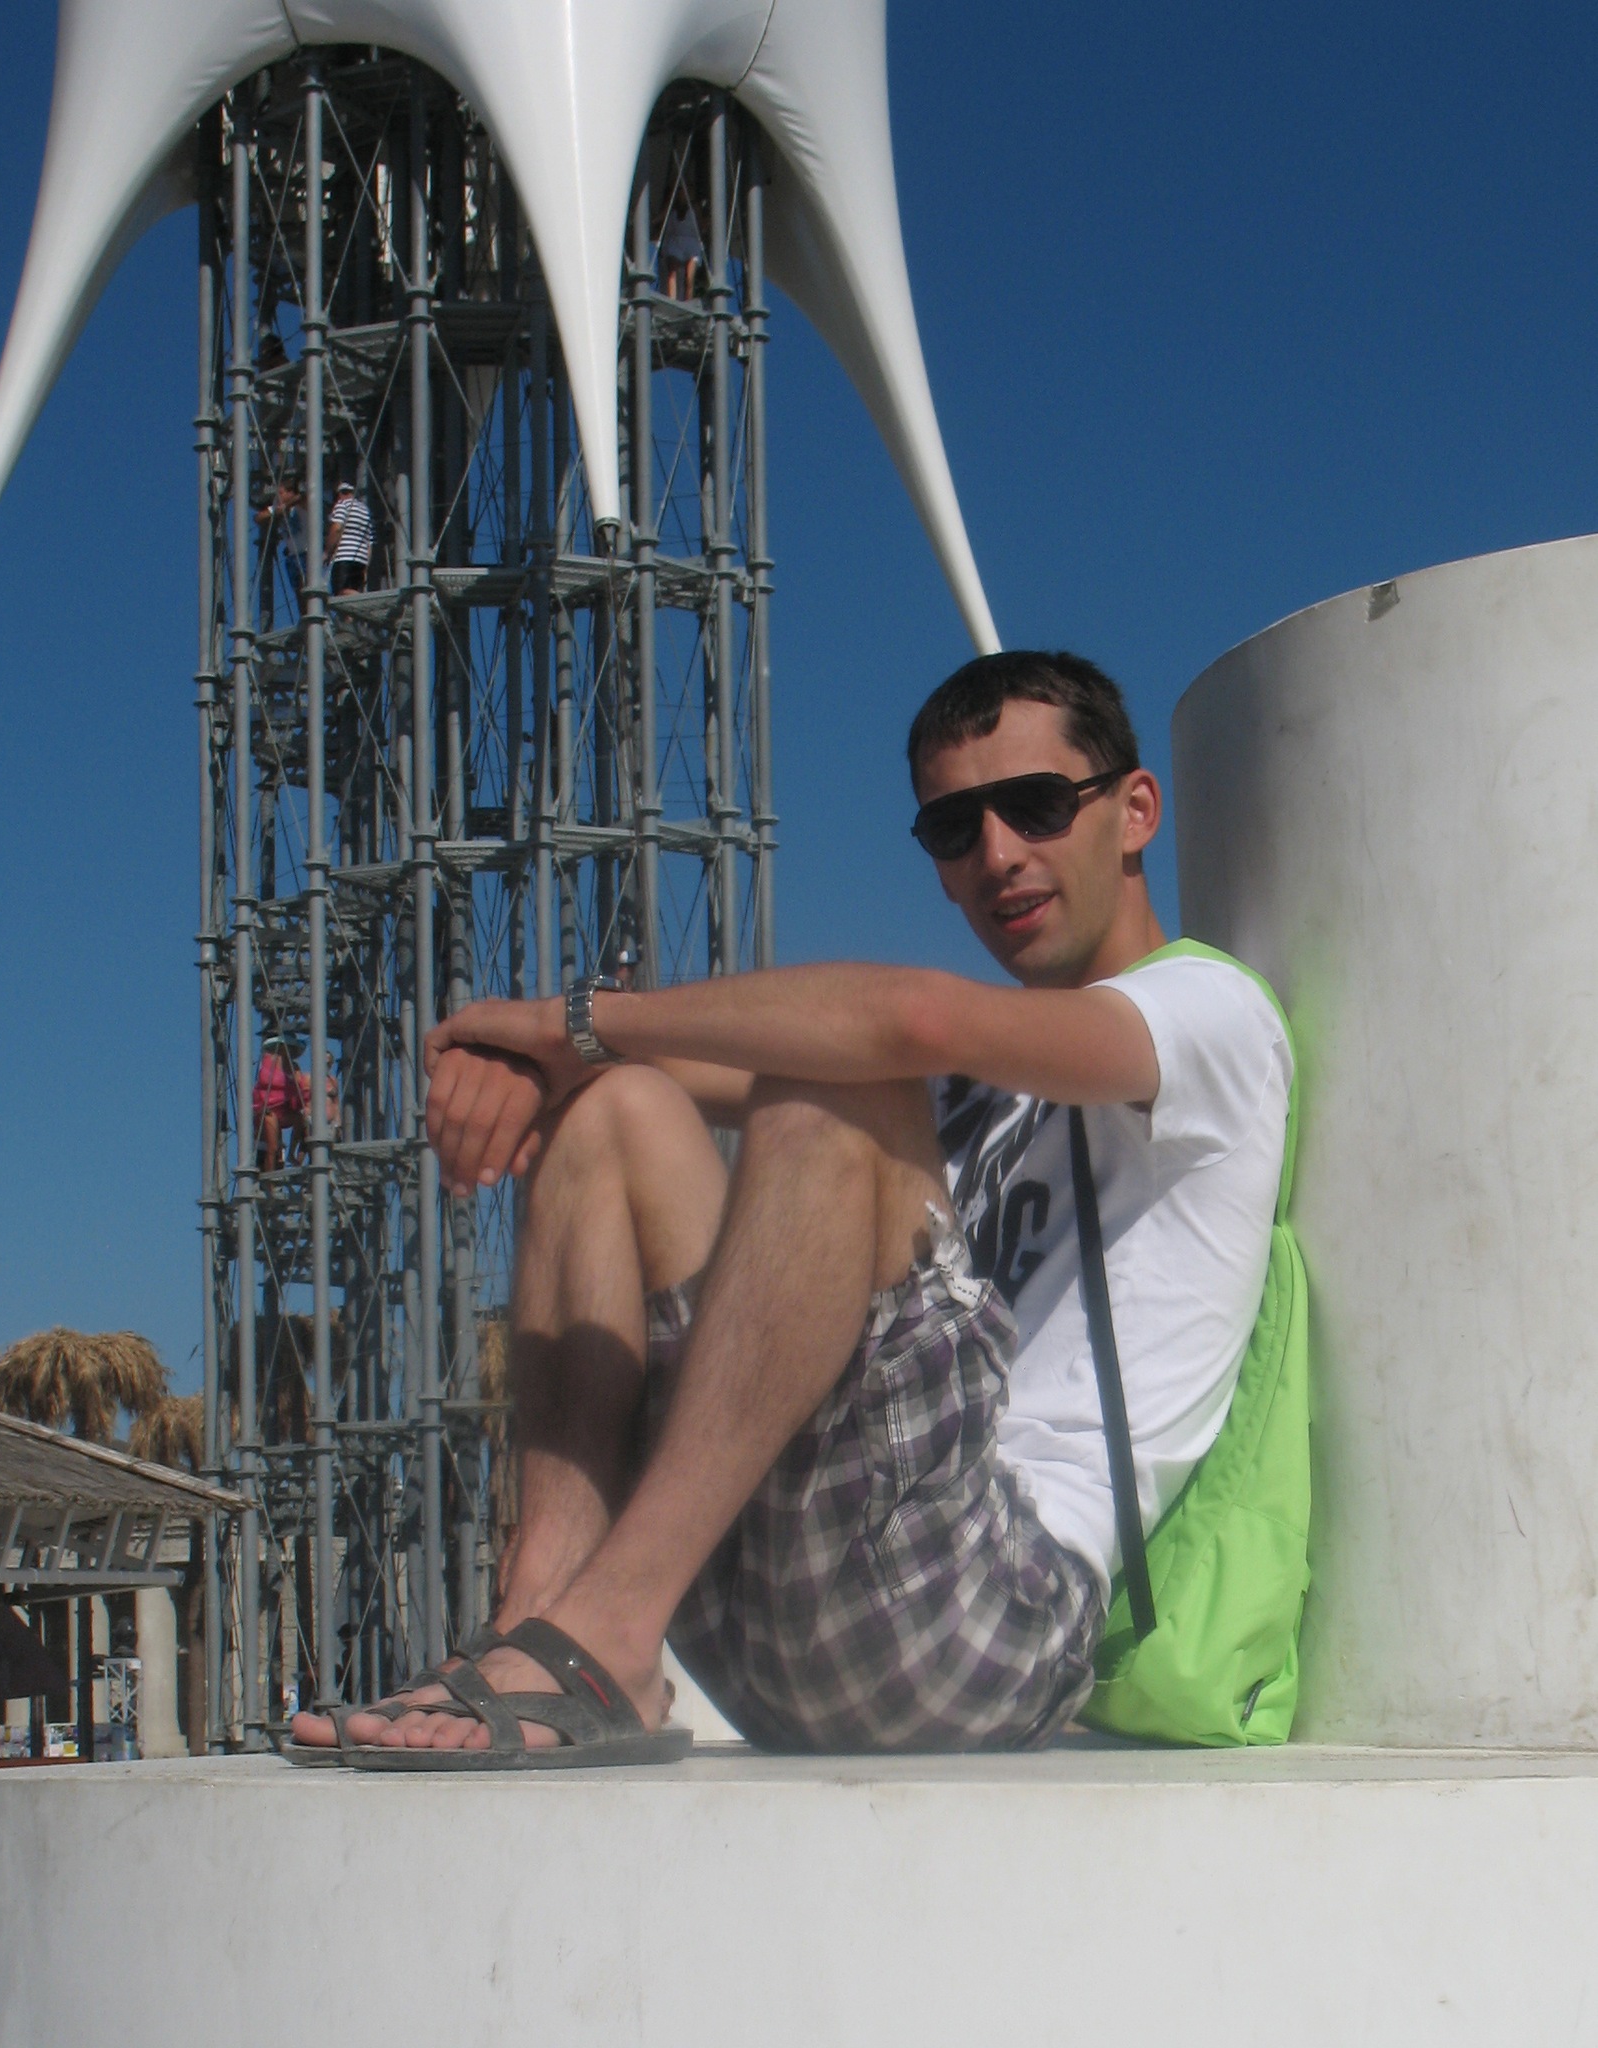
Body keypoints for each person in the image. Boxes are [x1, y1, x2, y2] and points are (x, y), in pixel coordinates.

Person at [291, 650, 1290, 1760]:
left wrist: (572, 1022)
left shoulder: (1208, 1011)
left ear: (1135, 809)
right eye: (953, 828)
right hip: (793, 1592)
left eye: (1037, 805)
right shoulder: (966, 1092)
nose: (998, 853)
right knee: (616, 1110)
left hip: (992, 1612)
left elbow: (904, 1023)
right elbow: (669, 1064)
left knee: (834, 1079)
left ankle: (611, 1625)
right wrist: (543, 1065)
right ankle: (544, 1617)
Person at [252, 1034, 304, 1174]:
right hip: (268, 1109)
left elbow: (300, 1087)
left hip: (284, 1110)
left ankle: (292, 1154)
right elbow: (265, 1080)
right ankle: (270, 1177)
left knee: (302, 1120)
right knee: (273, 1147)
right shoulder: (269, 1061)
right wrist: (289, 1084)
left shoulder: (294, 1067)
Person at [324, 480, 374, 596]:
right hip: (361, 561)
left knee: (341, 592)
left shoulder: (342, 505)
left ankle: (361, 599)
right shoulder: (366, 511)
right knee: (350, 596)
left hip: (344, 557)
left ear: (339, 494)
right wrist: (365, 568)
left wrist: (327, 552)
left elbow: (337, 529)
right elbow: (369, 543)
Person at [659, 179, 705, 301]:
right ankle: (672, 299)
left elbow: (701, 225)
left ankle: (687, 301)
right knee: (672, 273)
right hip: (676, 241)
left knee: (689, 278)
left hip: (691, 242)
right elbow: (661, 217)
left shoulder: (694, 207)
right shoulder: (671, 207)